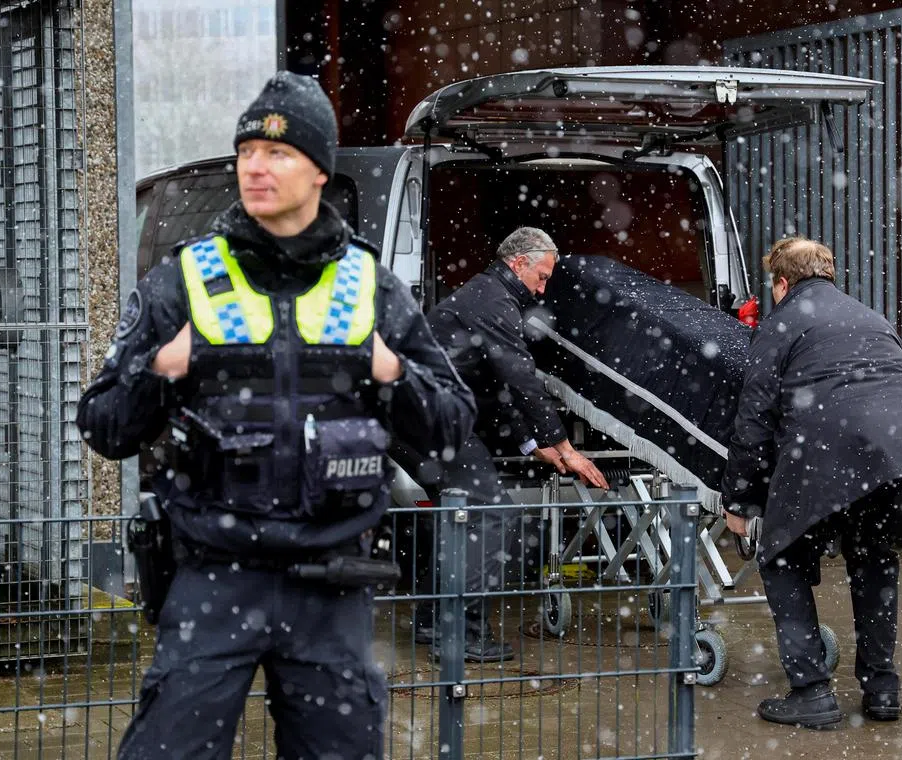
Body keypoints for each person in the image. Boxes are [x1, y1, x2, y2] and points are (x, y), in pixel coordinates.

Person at [77, 71, 475, 760]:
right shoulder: (185, 281)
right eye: (246, 153)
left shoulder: (370, 289)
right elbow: (103, 425)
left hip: (333, 585)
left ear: (319, 169)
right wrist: (161, 369)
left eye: (279, 153)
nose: (256, 168)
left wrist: (391, 372)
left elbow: (449, 427)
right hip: (212, 579)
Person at [721, 237, 902, 730]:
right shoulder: (871, 317)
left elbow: (753, 418)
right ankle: (882, 690)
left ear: (781, 283)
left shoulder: (781, 322)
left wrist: (740, 500)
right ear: (828, 274)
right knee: (873, 555)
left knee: (780, 556)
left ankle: (811, 691)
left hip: (836, 453)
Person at [399, 227, 609, 662]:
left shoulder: (486, 295)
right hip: (428, 417)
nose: (544, 286)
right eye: (543, 275)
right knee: (491, 514)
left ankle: (433, 622)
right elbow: (520, 378)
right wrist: (564, 445)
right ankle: (461, 635)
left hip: (415, 414)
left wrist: (534, 442)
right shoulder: (493, 302)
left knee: (456, 512)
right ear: (519, 263)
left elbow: (494, 385)